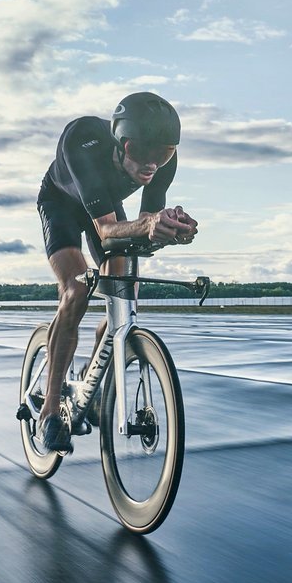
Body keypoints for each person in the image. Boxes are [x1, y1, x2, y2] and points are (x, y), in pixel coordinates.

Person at [35, 91, 198, 453]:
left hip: (105, 213)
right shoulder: (84, 140)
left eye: (165, 153)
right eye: (144, 152)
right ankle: (49, 408)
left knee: (126, 296)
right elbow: (108, 230)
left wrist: (169, 230)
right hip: (62, 206)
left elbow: (146, 229)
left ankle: (92, 388)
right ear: (122, 143)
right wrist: (150, 225)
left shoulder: (161, 164)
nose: (153, 164)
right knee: (76, 290)